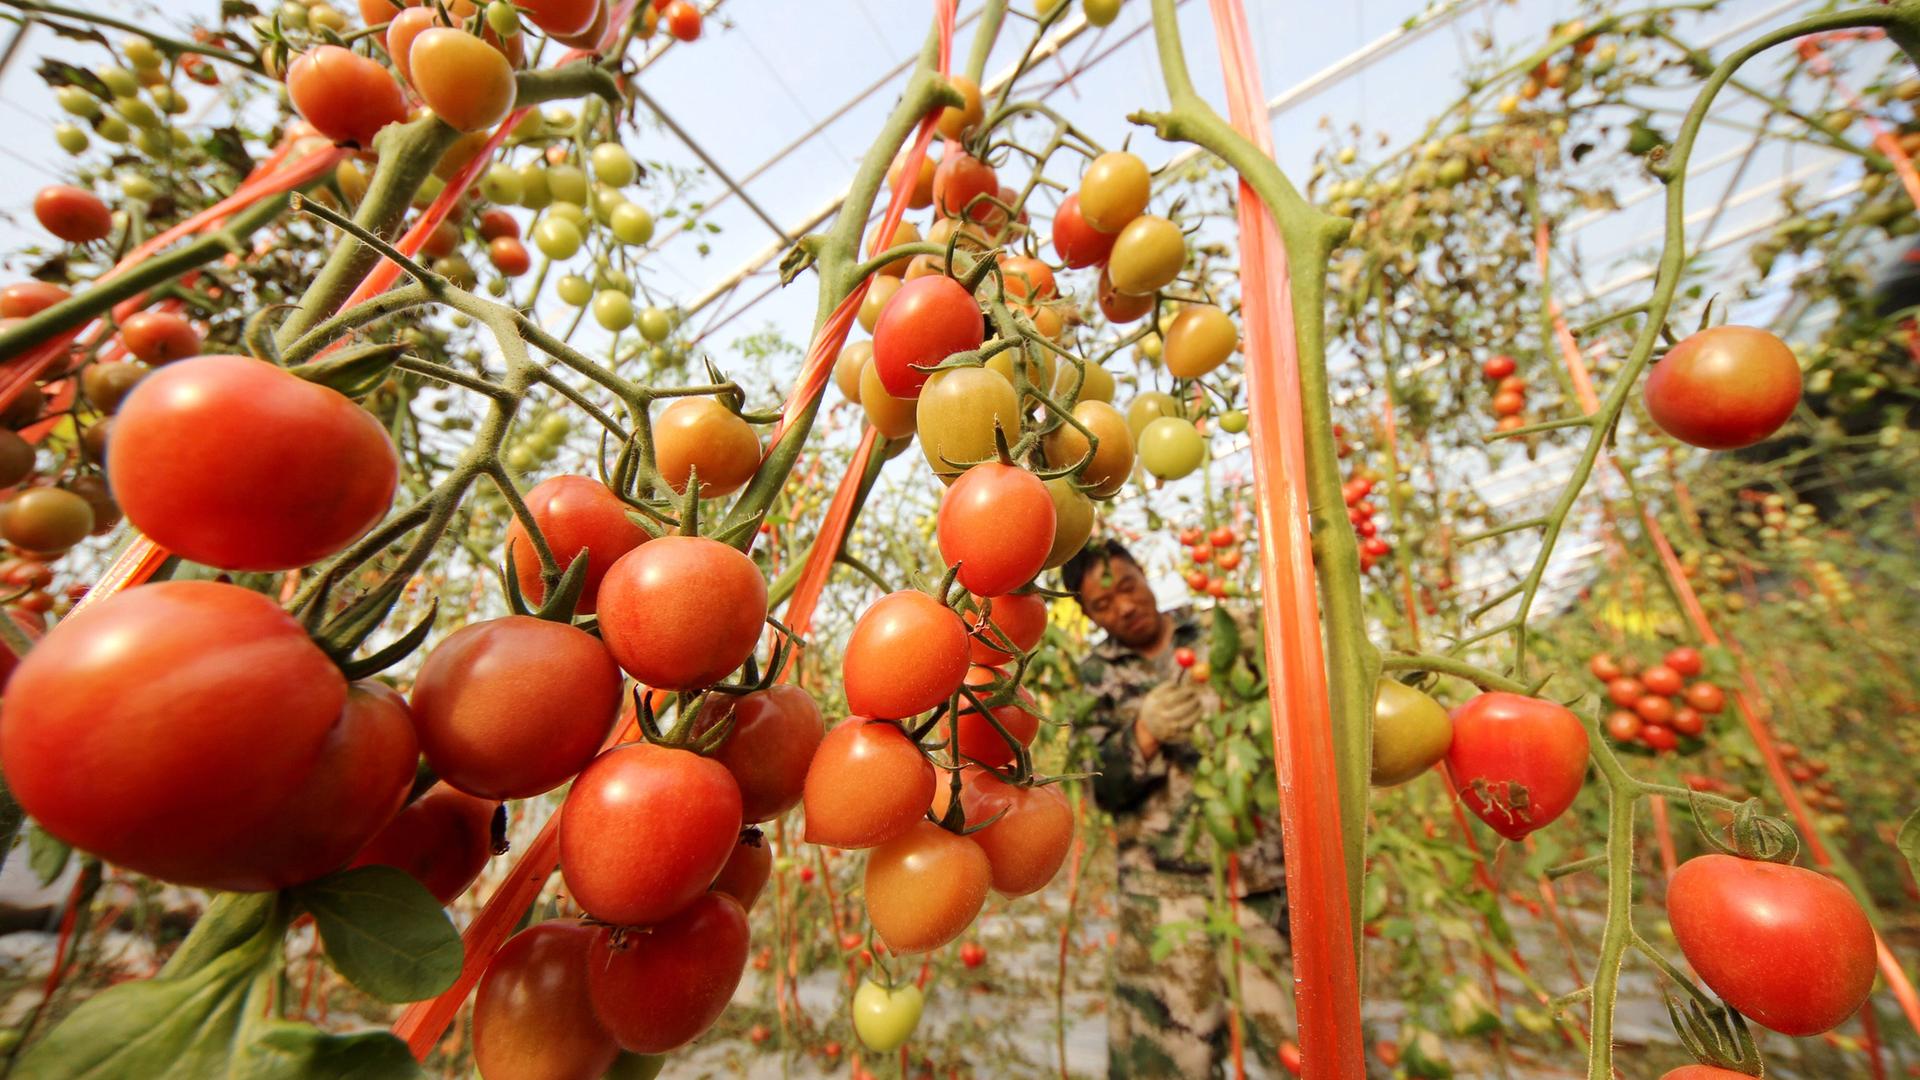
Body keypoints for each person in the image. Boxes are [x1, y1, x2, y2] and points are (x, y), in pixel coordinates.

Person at [1063, 539, 1295, 1079]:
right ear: (1088, 614)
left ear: (1144, 576)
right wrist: (1144, 734)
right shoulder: (1093, 677)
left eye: (1127, 587)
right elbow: (1099, 788)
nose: (1123, 606)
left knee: (1300, 1046)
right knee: (1162, 1059)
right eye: (1103, 605)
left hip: (1259, 882)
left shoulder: (1224, 630)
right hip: (1161, 897)